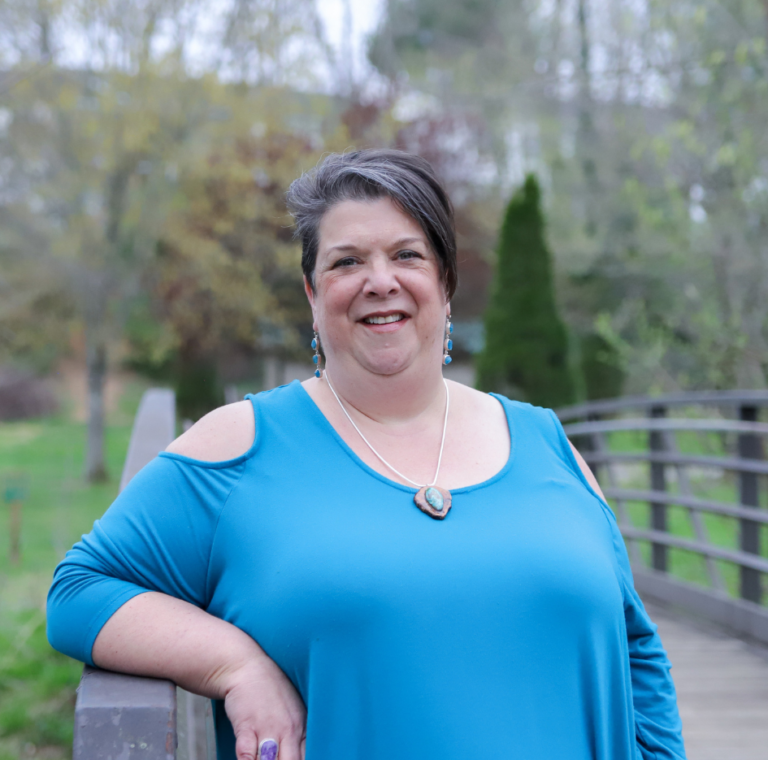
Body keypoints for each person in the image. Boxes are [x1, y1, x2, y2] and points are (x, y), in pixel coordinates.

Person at [47, 149, 687, 760]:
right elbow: (79, 591)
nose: (380, 282)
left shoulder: (546, 444)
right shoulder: (243, 447)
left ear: (444, 279)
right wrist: (234, 665)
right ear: (312, 294)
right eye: (347, 262)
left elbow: (637, 652)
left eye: (406, 254)